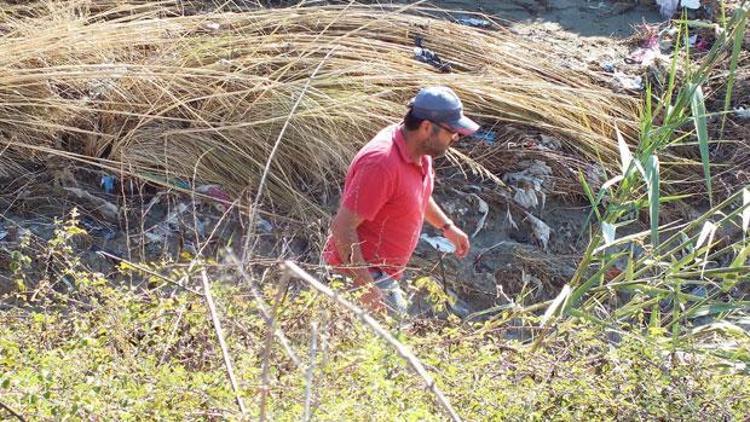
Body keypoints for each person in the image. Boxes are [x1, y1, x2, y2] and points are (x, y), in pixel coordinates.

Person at [323, 86, 479, 315]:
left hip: (380, 274)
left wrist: (447, 226)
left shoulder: (418, 151)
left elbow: (417, 196)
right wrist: (366, 288)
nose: (455, 137)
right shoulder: (381, 164)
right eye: (452, 131)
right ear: (427, 127)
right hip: (356, 275)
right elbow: (342, 228)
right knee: (388, 345)